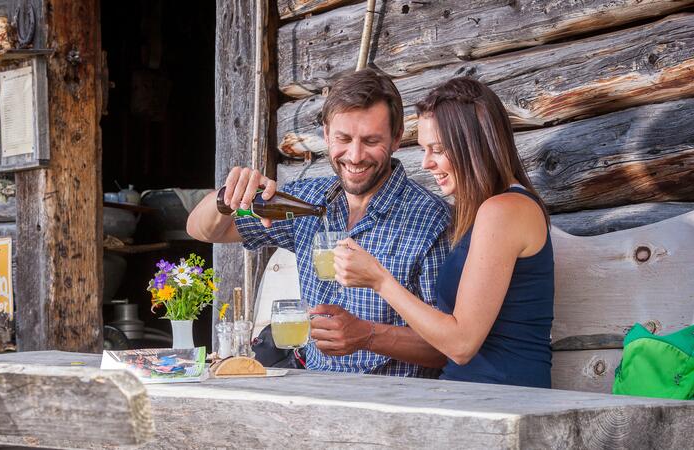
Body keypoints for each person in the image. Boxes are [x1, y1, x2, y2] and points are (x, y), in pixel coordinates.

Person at [186, 68, 451, 377]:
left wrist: (367, 335)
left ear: (395, 139)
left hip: (392, 404)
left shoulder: (431, 219)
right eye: (343, 139)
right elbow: (203, 230)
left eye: (370, 140)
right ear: (326, 135)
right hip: (312, 392)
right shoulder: (305, 201)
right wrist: (227, 198)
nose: (354, 155)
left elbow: (446, 348)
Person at [332, 77, 554, 388]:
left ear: (472, 143)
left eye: (437, 149)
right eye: (424, 149)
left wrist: (380, 280)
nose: (426, 162)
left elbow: (461, 344)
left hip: (502, 398)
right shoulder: (481, 211)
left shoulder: (504, 210)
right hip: (465, 392)